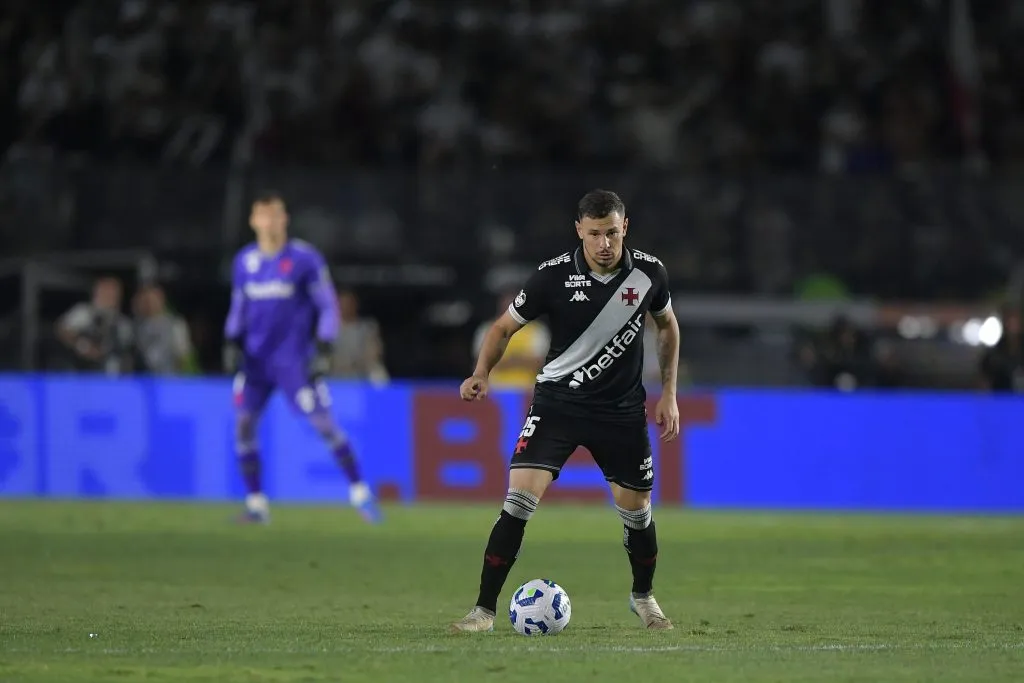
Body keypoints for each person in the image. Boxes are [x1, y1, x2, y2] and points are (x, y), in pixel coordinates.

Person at [451, 189, 681, 632]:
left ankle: (644, 597)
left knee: (638, 512)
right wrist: (482, 371)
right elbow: (503, 327)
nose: (604, 244)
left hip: (621, 412)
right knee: (517, 502)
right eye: (595, 234)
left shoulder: (649, 273)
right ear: (579, 231)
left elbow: (667, 326)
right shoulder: (551, 277)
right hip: (558, 404)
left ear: (624, 227)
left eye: (612, 233)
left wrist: (668, 393)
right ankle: (482, 611)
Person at [223, 191, 381, 524]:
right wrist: (230, 340)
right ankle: (256, 505)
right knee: (243, 424)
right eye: (264, 215)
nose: (271, 221)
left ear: (285, 219)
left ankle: (361, 494)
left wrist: (323, 347)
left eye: (276, 214)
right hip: (255, 362)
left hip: (294, 361)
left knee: (324, 425)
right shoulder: (244, 262)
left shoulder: (304, 259)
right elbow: (239, 306)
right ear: (253, 221)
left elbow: (327, 305)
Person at [472, 289, 550, 389]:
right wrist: (521, 360)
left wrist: (503, 361)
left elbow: (541, 364)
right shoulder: (486, 329)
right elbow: (478, 364)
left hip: (528, 390)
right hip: (494, 391)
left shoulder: (538, 330)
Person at [56, 276, 134, 376]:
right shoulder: (83, 312)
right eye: (105, 291)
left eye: (113, 292)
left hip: (110, 370)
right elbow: (62, 330)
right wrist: (82, 345)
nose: (109, 295)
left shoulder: (123, 323)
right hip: (81, 367)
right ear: (96, 292)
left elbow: (127, 350)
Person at [331, 289, 389, 386]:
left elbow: (374, 353)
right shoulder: (329, 329)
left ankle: (380, 399)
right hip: (335, 373)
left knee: (378, 373)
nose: (345, 306)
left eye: (349, 303)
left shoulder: (368, 327)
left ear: (355, 304)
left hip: (361, 372)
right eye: (342, 303)